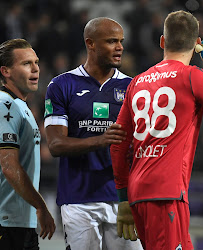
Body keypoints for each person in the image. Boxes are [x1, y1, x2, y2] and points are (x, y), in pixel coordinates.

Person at [110, 10, 203, 250]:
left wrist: (123, 200)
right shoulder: (193, 76)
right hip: (166, 193)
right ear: (197, 45)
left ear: (162, 41)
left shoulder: (137, 81)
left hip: (139, 193)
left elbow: (118, 144)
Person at [44, 17, 143, 250]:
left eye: (121, 41)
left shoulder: (133, 87)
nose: (119, 47)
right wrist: (102, 140)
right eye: (111, 41)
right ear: (91, 44)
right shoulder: (61, 85)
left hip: (124, 200)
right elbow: (56, 145)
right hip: (78, 199)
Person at [0, 38, 56, 249]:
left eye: (36, 62)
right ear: (6, 71)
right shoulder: (5, 105)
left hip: (19, 222)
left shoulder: (20, 106)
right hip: (6, 224)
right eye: (26, 64)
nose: (35, 69)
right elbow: (9, 167)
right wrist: (41, 206)